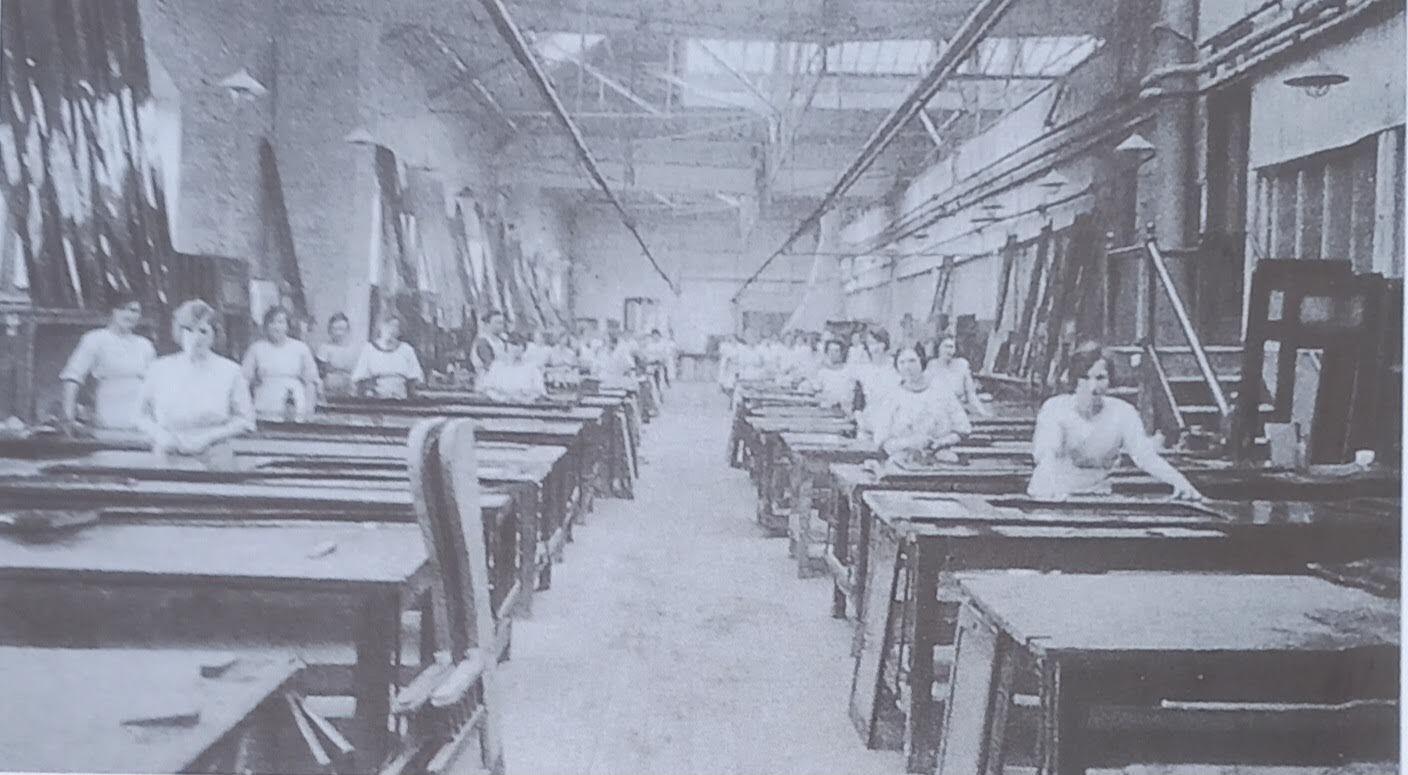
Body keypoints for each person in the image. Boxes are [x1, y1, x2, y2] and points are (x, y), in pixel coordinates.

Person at [1027, 347, 1204, 500]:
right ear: (1074, 380)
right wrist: (1050, 492)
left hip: (1097, 495)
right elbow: (1047, 454)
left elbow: (1145, 456)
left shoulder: (1123, 412)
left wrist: (1180, 482)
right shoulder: (1055, 408)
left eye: (1100, 378)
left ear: (1109, 380)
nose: (1092, 386)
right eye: (1084, 378)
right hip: (1052, 491)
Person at [137, 299, 255, 469]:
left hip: (215, 452)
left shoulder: (230, 371)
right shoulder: (159, 368)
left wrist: (208, 438)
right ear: (178, 332)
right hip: (169, 451)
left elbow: (245, 420)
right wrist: (161, 435)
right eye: (189, 330)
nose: (196, 338)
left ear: (214, 334)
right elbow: (140, 415)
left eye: (203, 331)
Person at [59, 292, 156, 431]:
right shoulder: (95, 339)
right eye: (123, 309)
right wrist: (68, 418)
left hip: (141, 418)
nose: (129, 315)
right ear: (113, 311)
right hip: (109, 413)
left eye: (135, 311)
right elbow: (72, 377)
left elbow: (155, 384)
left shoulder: (145, 345)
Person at [873, 344, 971, 460]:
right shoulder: (891, 397)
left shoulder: (941, 390)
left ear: (922, 362)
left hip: (941, 457)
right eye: (902, 362)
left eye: (912, 361)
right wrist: (909, 443)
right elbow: (881, 440)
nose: (907, 367)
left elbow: (963, 428)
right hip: (902, 460)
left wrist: (940, 442)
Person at [242, 306, 320, 421]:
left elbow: (311, 382)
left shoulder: (300, 348)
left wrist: (309, 409)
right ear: (266, 326)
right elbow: (244, 380)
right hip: (265, 402)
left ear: (287, 326)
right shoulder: (256, 348)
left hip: (294, 403)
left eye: (281, 322)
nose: (276, 327)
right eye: (272, 323)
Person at [351, 313, 425, 399]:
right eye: (387, 326)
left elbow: (414, 379)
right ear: (380, 327)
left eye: (395, 327)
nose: (391, 330)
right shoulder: (369, 349)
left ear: (400, 331)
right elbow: (359, 379)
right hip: (374, 401)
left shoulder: (407, 350)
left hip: (401, 399)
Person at [925, 334, 990, 418]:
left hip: (958, 411)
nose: (949, 350)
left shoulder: (962, 365)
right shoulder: (932, 366)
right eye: (946, 346)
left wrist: (983, 412)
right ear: (939, 348)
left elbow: (971, 394)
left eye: (951, 347)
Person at [852, 328, 900, 437]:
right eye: (871, 343)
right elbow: (857, 405)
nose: (876, 347)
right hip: (868, 424)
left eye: (879, 342)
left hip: (893, 425)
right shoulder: (863, 371)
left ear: (885, 344)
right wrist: (862, 423)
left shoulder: (896, 368)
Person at [480, 333, 548, 402]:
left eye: (518, 345)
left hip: (525, 407)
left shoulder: (532, 369)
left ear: (523, 349)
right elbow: (487, 389)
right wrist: (501, 398)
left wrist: (525, 399)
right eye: (512, 345)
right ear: (507, 347)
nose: (514, 348)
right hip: (500, 406)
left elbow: (540, 392)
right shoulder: (496, 367)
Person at [314, 313, 362, 398]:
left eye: (342, 329)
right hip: (329, 389)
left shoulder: (355, 349)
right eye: (335, 329)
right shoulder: (324, 348)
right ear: (330, 330)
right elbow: (320, 373)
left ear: (348, 330)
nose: (339, 333)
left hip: (350, 389)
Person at [806, 339, 859, 412]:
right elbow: (816, 392)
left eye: (836, 351)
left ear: (841, 353)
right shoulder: (822, 372)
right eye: (830, 351)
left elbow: (854, 394)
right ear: (827, 353)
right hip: (827, 411)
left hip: (846, 412)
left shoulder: (849, 371)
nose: (833, 354)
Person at [470, 310, 507, 377]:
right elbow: (490, 365)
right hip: (487, 379)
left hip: (502, 375)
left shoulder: (502, 339)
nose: (501, 325)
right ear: (487, 324)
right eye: (497, 323)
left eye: (502, 323)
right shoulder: (482, 341)